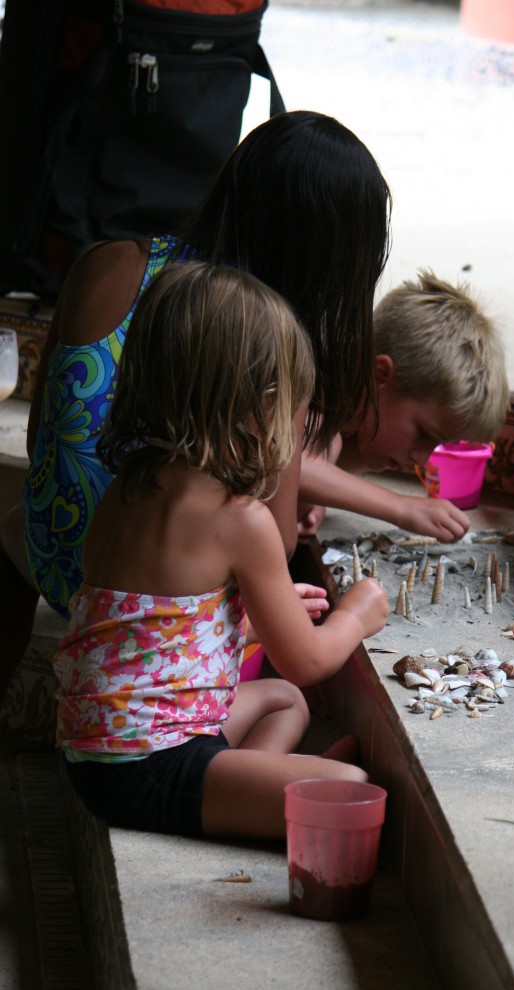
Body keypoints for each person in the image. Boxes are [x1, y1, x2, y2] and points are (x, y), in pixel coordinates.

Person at [0, 110, 391, 701]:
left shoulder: (110, 261)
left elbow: (41, 440)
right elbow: (277, 542)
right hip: (141, 601)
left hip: (47, 550)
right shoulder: (268, 341)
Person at [54, 262, 389, 840]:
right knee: (354, 788)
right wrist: (354, 615)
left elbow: (139, 632)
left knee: (286, 702)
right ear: (261, 410)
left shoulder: (128, 489)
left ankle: (254, 786)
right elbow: (307, 662)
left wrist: (242, 628)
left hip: (105, 748)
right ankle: (253, 795)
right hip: (149, 766)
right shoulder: (241, 519)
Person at [298, 271, 509, 539]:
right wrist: (400, 507)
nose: (421, 459)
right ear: (381, 376)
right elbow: (293, 465)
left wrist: (322, 492)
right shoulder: (307, 380)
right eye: (424, 434)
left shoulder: (357, 425)